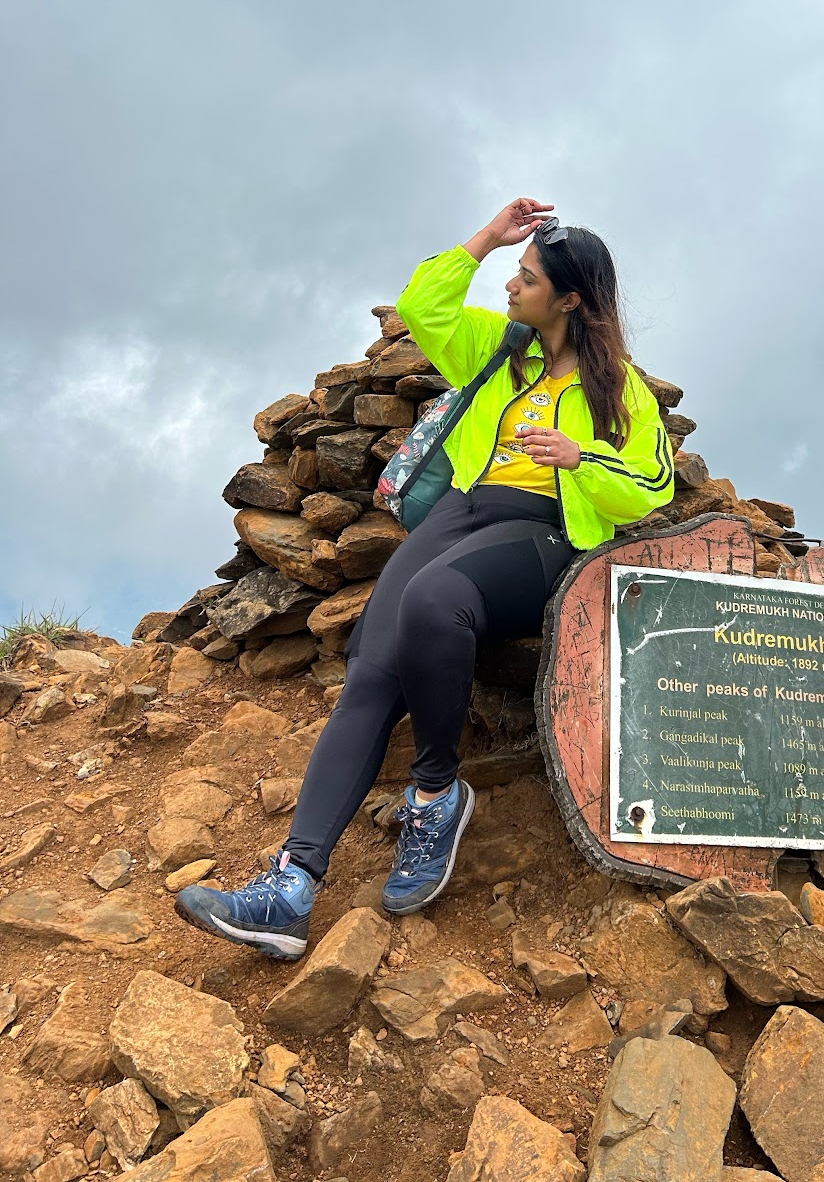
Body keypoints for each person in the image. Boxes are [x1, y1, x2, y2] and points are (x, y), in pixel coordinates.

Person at [175, 197, 675, 960]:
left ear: (571, 300)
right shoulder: (500, 349)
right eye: (515, 270)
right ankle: (290, 888)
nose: (512, 284)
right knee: (374, 665)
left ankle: (436, 794)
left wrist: (581, 459)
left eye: (529, 277)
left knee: (435, 601)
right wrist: (487, 238)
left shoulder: (620, 391)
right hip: (460, 511)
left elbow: (651, 485)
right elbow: (423, 306)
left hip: (546, 531)